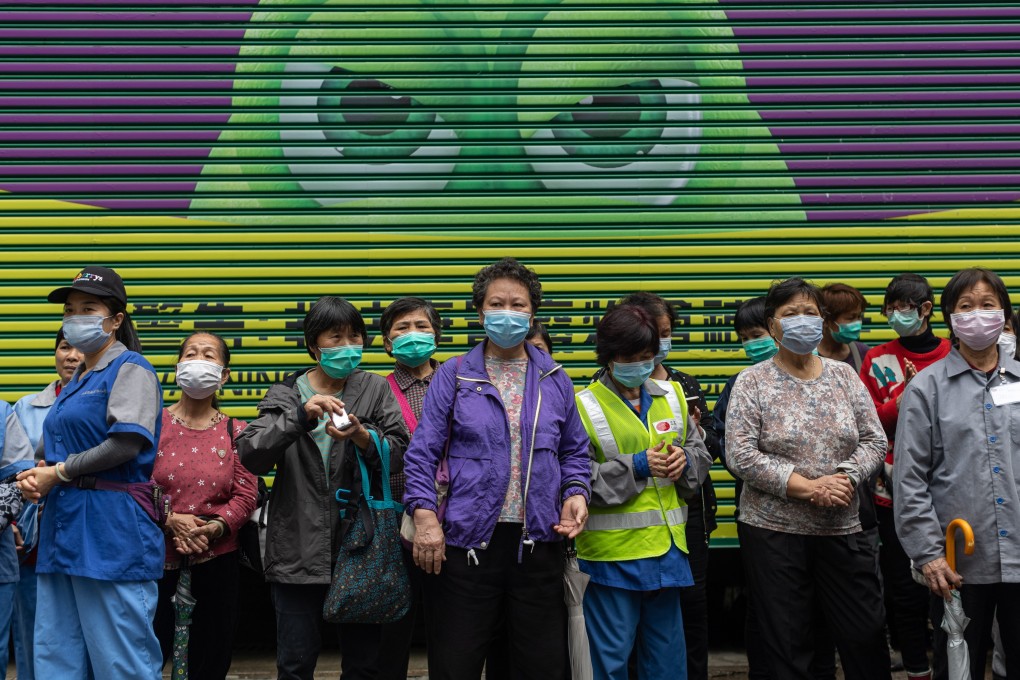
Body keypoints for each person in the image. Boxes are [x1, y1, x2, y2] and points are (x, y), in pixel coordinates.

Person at [403, 257, 591, 680]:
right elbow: (422, 454)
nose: (508, 312)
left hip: (538, 545)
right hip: (466, 546)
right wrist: (425, 515)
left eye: (519, 305)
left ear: (532, 313)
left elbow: (574, 452)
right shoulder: (452, 376)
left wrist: (576, 493)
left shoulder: (555, 378)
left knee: (539, 666)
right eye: (497, 303)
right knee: (457, 663)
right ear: (480, 310)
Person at [726, 277, 891, 680]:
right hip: (774, 532)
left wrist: (846, 477)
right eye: (790, 314)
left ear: (823, 320)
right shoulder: (752, 382)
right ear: (772, 324)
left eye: (810, 313)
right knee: (787, 641)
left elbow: (875, 439)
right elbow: (740, 454)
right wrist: (807, 486)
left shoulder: (844, 376)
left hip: (843, 525)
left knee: (864, 633)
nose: (802, 321)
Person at [236, 296, 408, 680]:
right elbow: (250, 455)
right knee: (295, 663)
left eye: (355, 336)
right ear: (314, 345)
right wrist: (300, 416)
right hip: (296, 545)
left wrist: (363, 436)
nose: (347, 345)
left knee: (363, 664)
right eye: (335, 337)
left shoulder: (374, 389)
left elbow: (399, 453)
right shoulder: (285, 393)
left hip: (359, 543)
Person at [17, 265, 164, 678]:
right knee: (57, 656)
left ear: (116, 319)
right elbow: (55, 449)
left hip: (110, 532)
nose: (75, 317)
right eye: (69, 310)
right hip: (63, 531)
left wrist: (57, 474)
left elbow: (125, 443)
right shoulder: (77, 380)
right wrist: (38, 475)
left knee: (120, 659)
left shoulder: (130, 369)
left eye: (88, 308)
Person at [894, 267, 1020, 680]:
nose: (977, 315)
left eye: (988, 305)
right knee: (958, 667)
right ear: (949, 317)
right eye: (966, 306)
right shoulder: (926, 388)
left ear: (1004, 314)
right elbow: (910, 478)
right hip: (958, 562)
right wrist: (928, 554)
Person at [575, 303, 711, 680]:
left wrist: (685, 459)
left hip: (667, 553)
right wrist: (636, 466)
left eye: (648, 358)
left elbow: (700, 453)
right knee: (610, 661)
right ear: (608, 357)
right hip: (611, 558)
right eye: (631, 358)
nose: (641, 366)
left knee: (668, 662)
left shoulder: (673, 395)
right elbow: (576, 479)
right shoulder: (583, 406)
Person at [151, 332, 259, 680]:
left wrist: (212, 528)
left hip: (217, 560)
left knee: (211, 657)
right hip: (154, 560)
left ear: (224, 375)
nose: (199, 360)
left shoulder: (237, 432)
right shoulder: (151, 426)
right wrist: (171, 520)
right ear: (178, 367)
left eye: (209, 355)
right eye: (191, 354)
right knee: (147, 652)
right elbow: (135, 486)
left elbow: (247, 494)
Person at [860, 273, 950, 680]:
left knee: (952, 586)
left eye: (903, 308)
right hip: (892, 492)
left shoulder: (956, 353)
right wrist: (905, 397)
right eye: (890, 309)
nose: (895, 316)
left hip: (952, 490)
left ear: (926, 310)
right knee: (904, 588)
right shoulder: (877, 358)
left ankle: (952, 665)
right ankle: (916, 668)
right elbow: (868, 424)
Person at [376, 296, 443, 680]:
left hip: (451, 523)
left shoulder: (459, 383)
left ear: (436, 335)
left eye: (421, 326)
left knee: (450, 625)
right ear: (387, 343)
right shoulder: (375, 390)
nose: (412, 335)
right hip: (394, 526)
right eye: (402, 329)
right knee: (392, 628)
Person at [10, 329, 83, 680]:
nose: (71, 355)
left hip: (84, 536)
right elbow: (14, 475)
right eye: (64, 347)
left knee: (81, 639)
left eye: (80, 348)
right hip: (32, 543)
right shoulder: (25, 407)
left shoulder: (110, 401)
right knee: (31, 640)